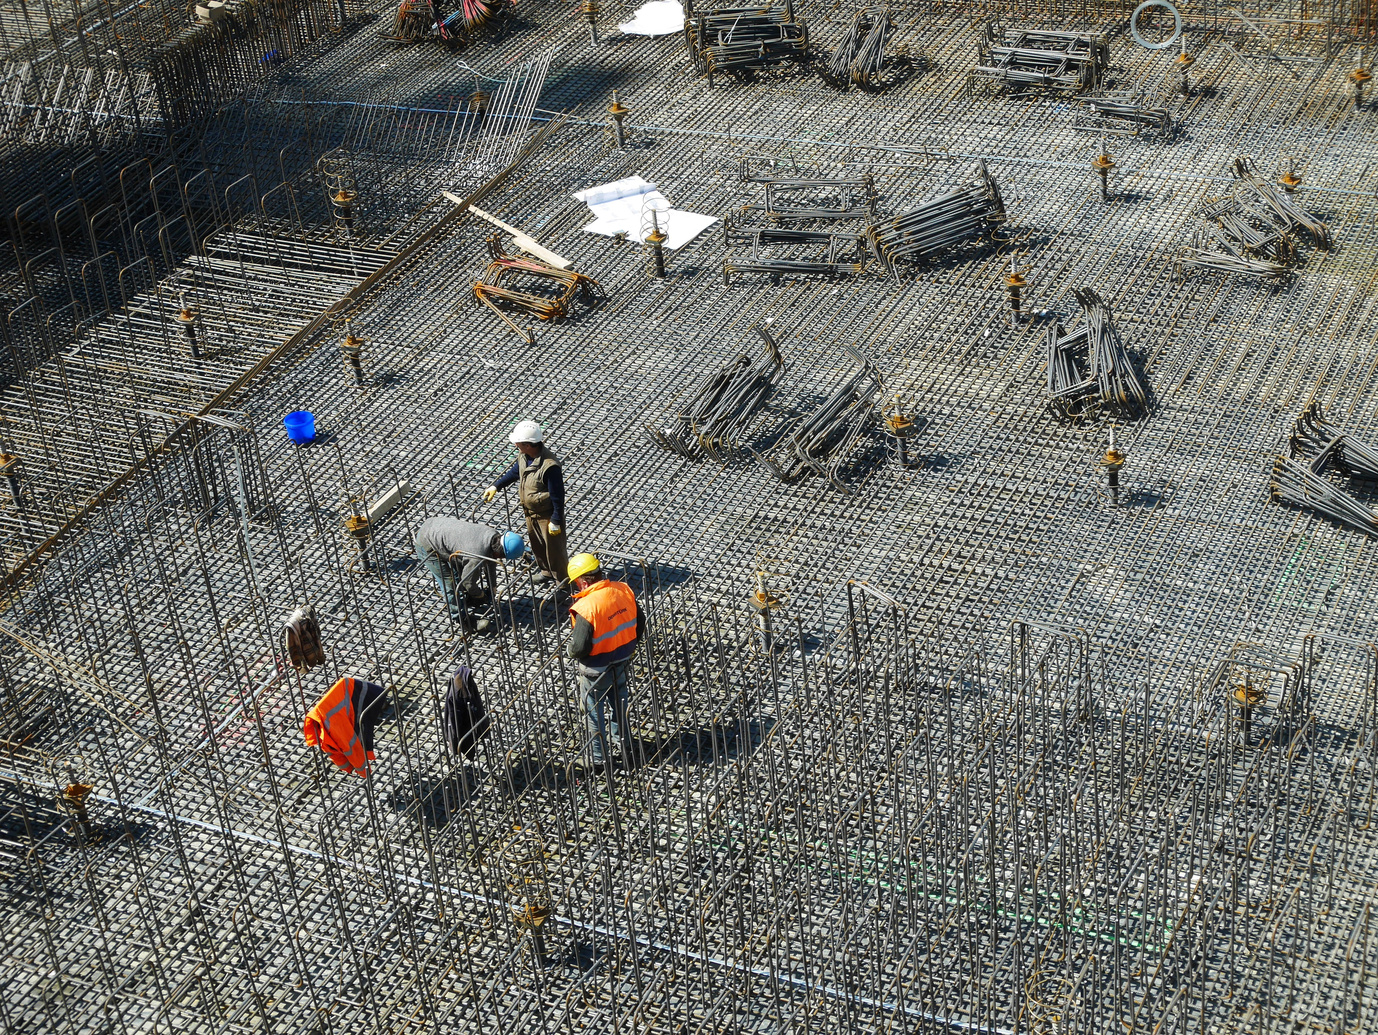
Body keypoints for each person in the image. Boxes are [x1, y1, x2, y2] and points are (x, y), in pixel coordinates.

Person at [566, 552, 645, 769]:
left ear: (582, 581)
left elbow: (579, 647)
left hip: (596, 668)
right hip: (622, 658)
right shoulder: (623, 590)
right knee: (620, 703)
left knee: (593, 710)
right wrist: (625, 644)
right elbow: (641, 623)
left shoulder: (586, 607)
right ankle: (626, 745)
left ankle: (598, 758)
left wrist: (570, 650)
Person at [483, 420, 567, 586]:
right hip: (530, 513)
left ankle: (562, 582)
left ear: (529, 444)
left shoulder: (550, 466)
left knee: (555, 551)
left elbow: (558, 495)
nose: (516, 445)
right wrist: (496, 486)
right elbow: (515, 472)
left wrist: (556, 520)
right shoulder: (525, 456)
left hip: (547, 516)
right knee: (537, 546)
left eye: (519, 443)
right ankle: (546, 573)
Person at [414, 517, 523, 632]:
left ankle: (466, 599)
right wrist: (479, 595)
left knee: (462, 570)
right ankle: (462, 620)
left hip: (435, 526)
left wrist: (493, 587)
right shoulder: (476, 556)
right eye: (503, 557)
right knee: (451, 583)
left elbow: (491, 561)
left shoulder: (493, 535)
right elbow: (467, 582)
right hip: (426, 544)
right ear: (499, 552)